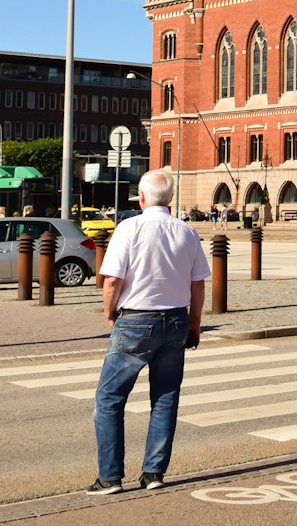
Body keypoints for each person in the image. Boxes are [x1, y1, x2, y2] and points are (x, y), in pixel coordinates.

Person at [90, 169, 211, 494]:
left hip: (135, 319)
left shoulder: (129, 228)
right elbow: (197, 284)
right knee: (165, 398)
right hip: (174, 321)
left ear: (142, 198)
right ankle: (154, 473)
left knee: (110, 398)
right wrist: (194, 322)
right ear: (170, 198)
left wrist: (109, 313)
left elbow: (112, 280)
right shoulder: (186, 231)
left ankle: (110, 477)